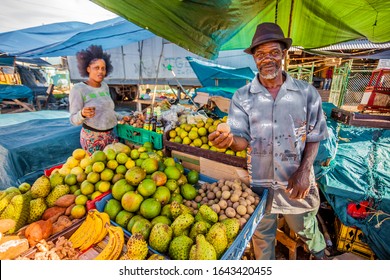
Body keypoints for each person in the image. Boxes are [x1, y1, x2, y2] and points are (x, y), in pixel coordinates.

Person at [208, 22, 329, 260]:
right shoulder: (242, 97)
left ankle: (320, 251)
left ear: (283, 54)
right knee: (262, 235)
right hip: (260, 183)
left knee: (303, 225)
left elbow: (316, 135)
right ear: (254, 58)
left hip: (294, 181)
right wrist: (230, 141)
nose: (267, 59)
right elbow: (242, 140)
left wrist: (305, 171)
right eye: (261, 54)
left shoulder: (306, 93)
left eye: (274, 52)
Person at [69, 45, 120, 155]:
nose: (100, 71)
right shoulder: (78, 89)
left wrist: (121, 117)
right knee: (98, 169)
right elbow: (73, 119)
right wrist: (82, 114)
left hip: (111, 136)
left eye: (103, 68)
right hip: (92, 139)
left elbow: (108, 111)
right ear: (88, 69)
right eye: (96, 68)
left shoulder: (105, 86)